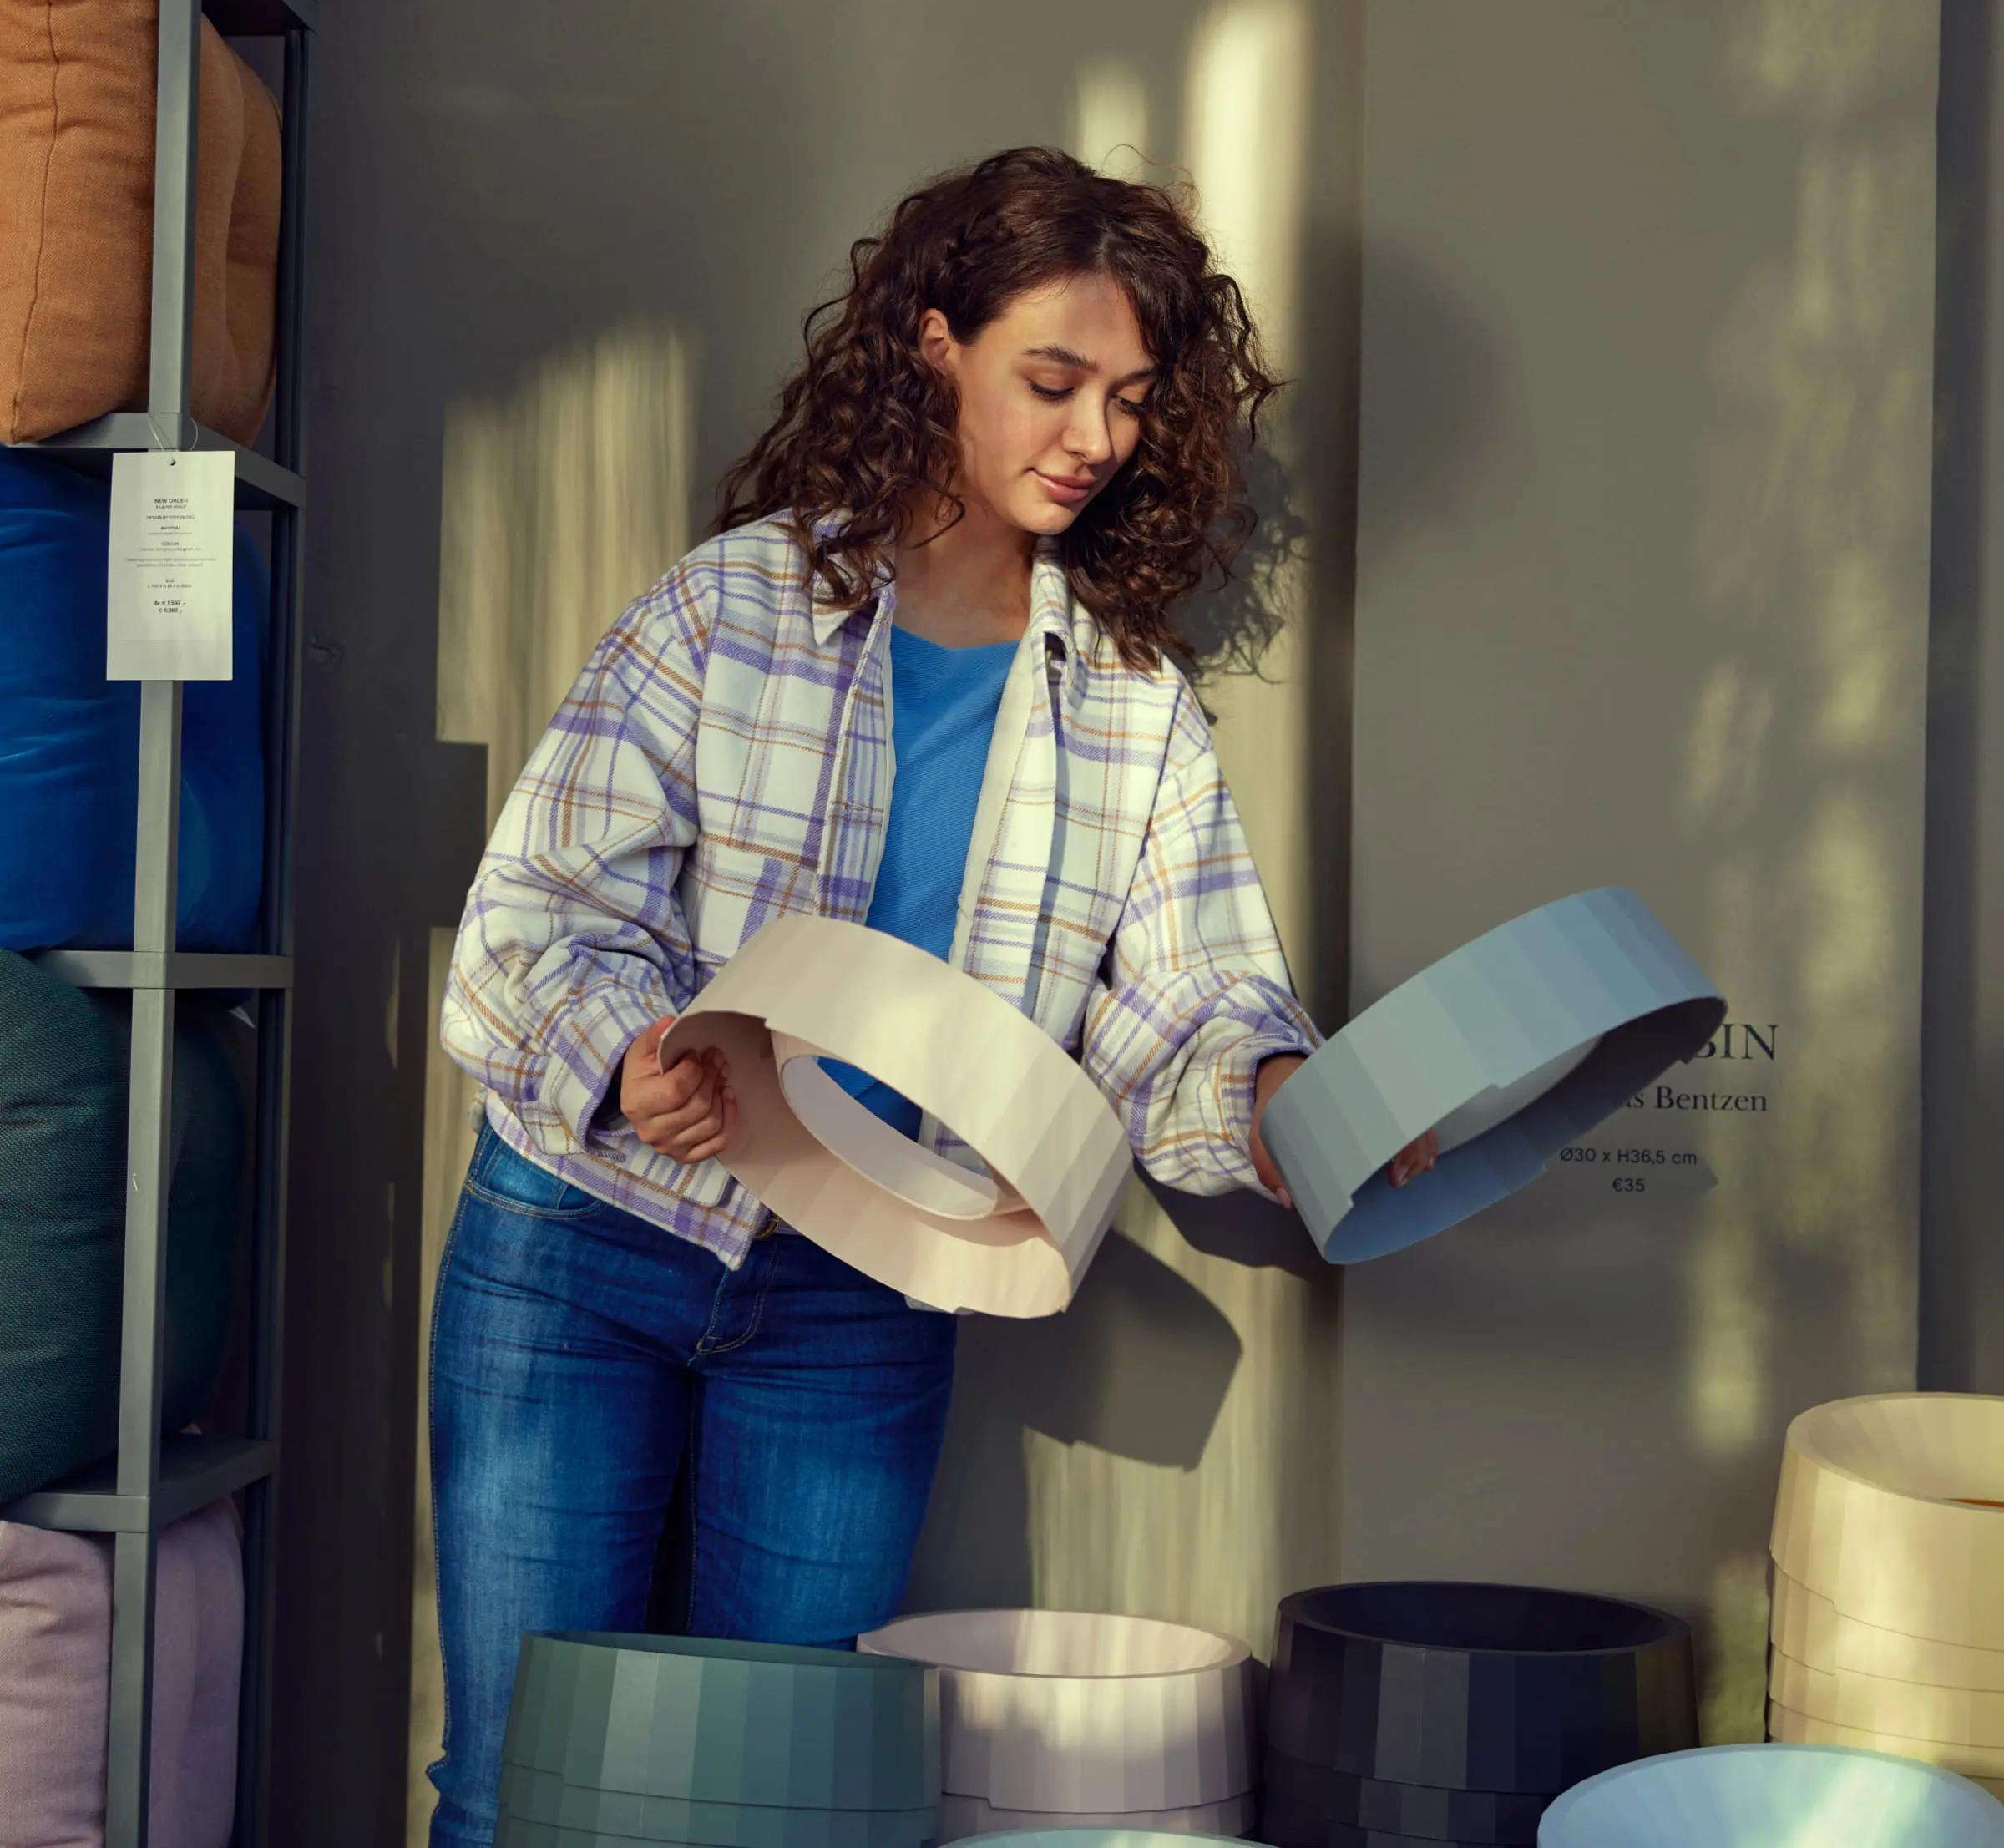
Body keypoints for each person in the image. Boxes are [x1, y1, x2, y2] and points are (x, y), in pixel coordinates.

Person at [428, 145, 1436, 1845]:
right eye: (1051, 382)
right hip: (583, 1248)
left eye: (1128, 398)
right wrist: (640, 1054)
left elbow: (1186, 1005)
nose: (1095, 439)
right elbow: (540, 916)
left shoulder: (1130, 709)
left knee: (777, 1800)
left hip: (858, 1292)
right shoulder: (725, 610)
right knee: (519, 1784)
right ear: (932, 346)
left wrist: (1290, 1109)